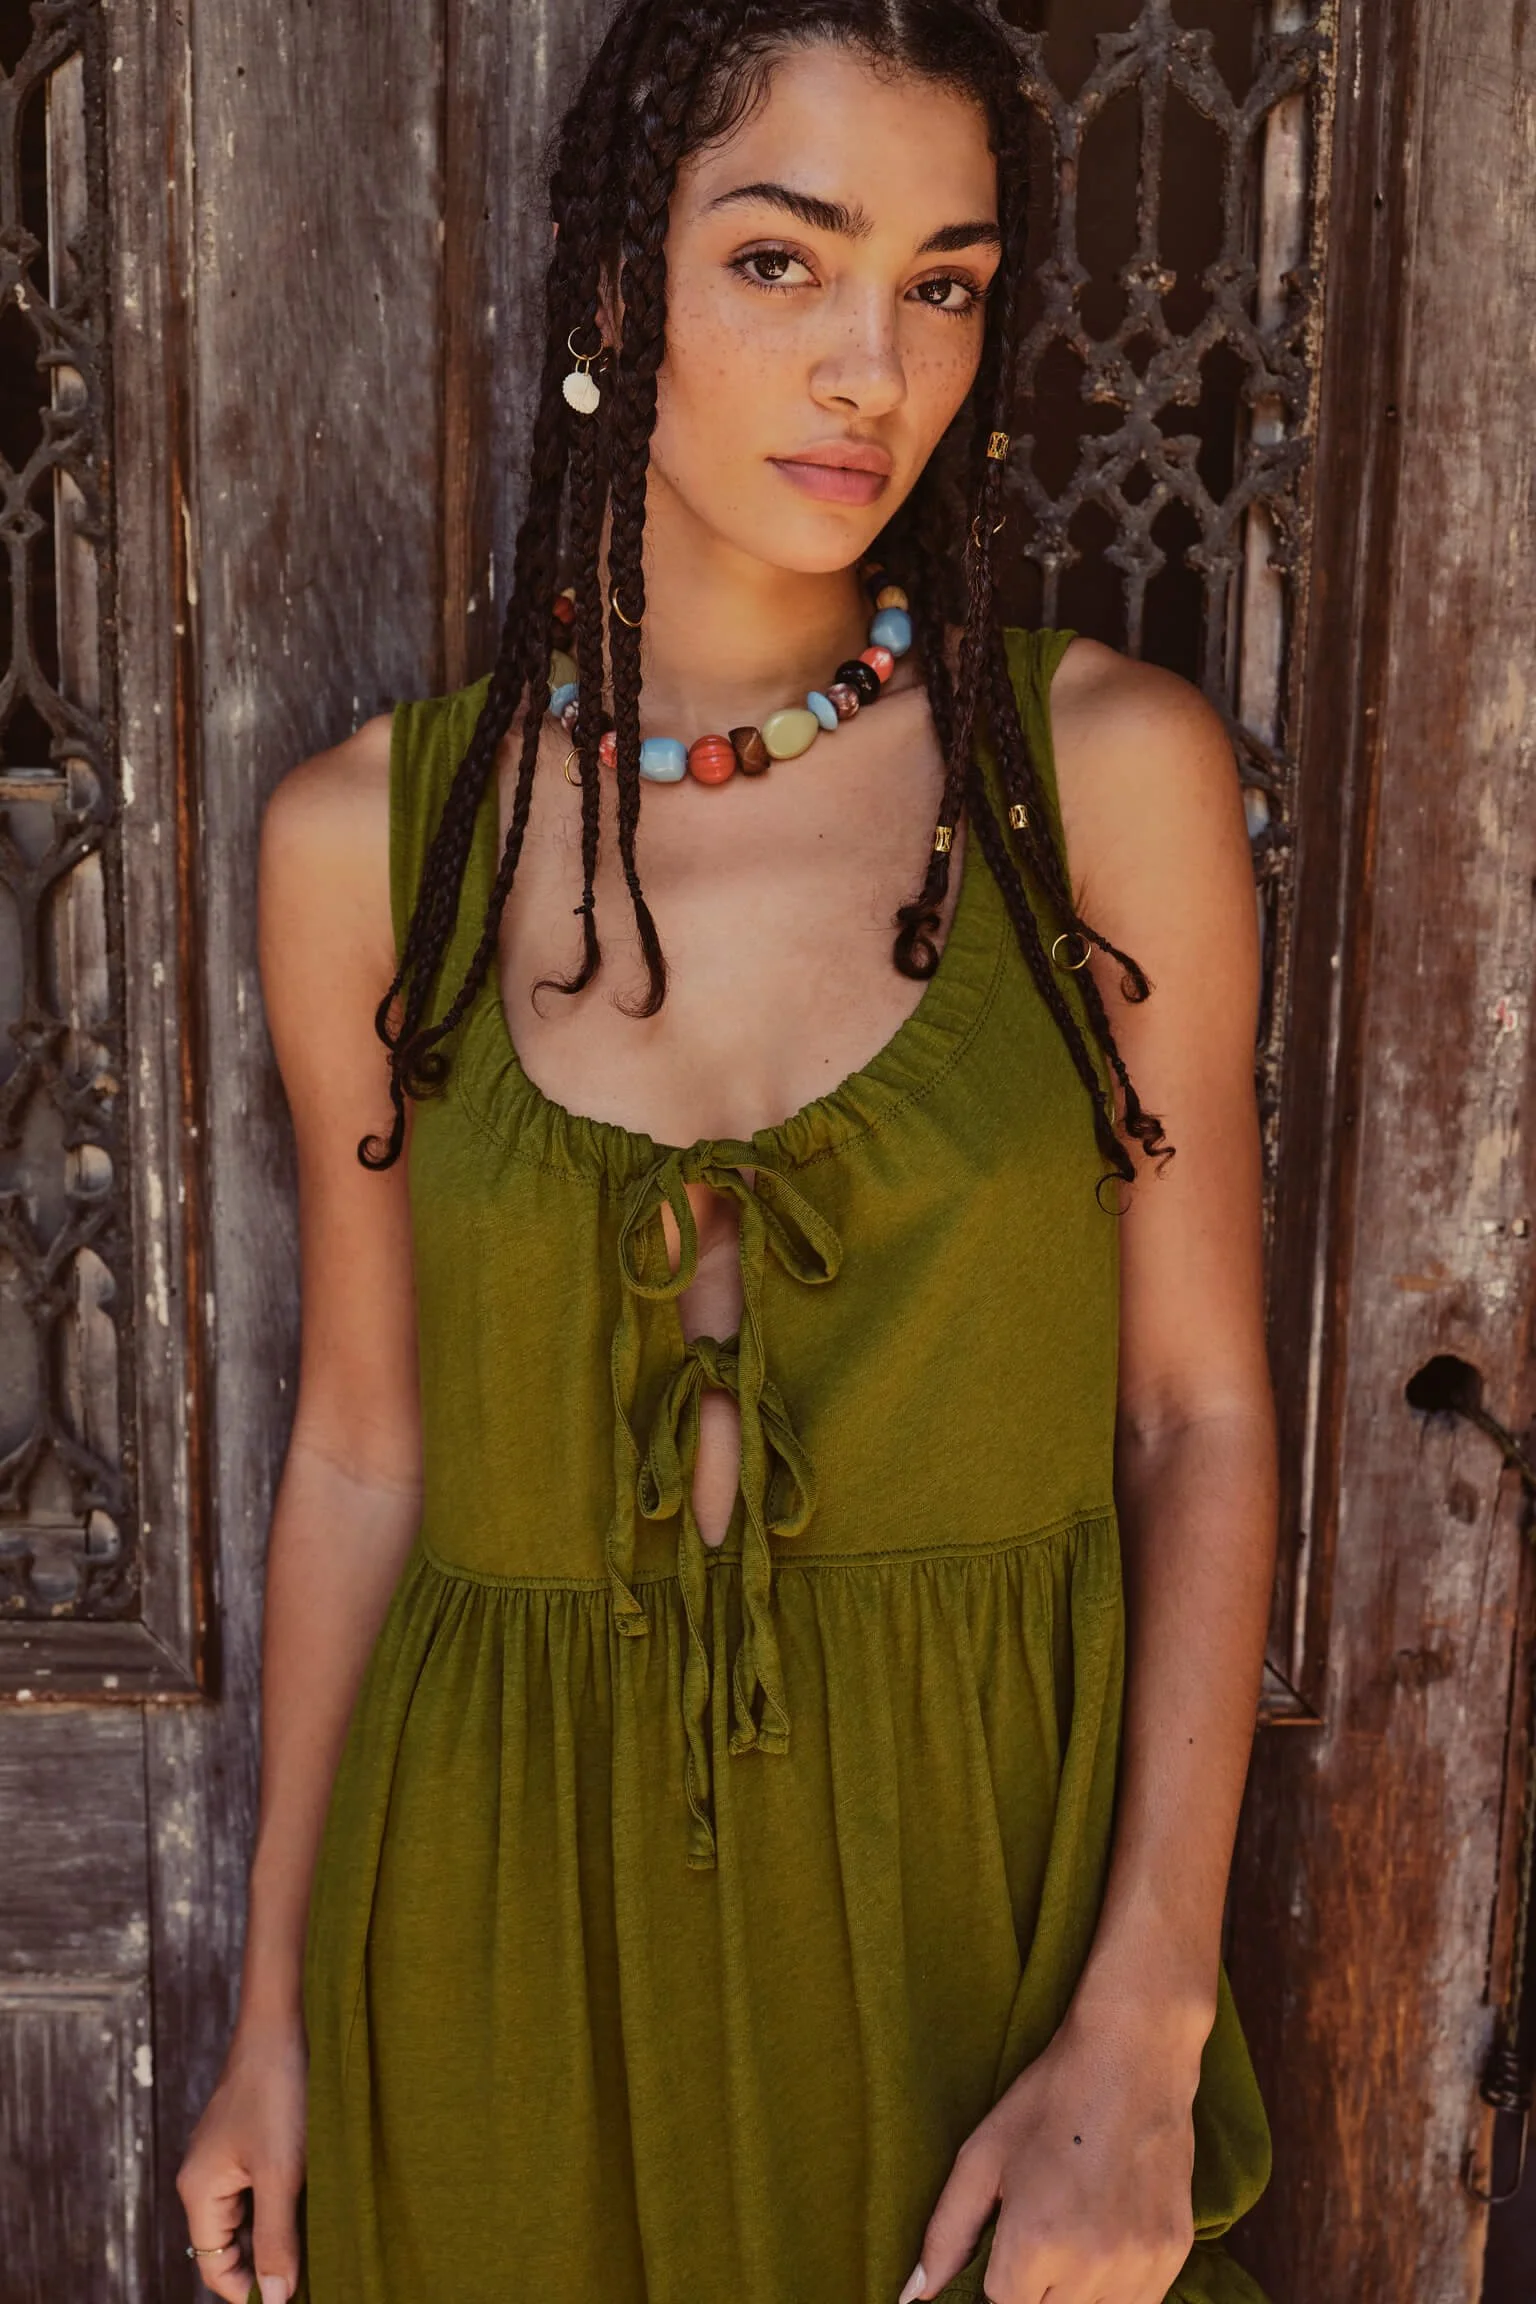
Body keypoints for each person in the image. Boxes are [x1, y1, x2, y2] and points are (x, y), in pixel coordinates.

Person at [176, 3, 1279, 2300]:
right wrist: (271, 2013)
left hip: (956, 1949)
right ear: (612, 293)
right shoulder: (370, 845)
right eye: (785, 262)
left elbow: (1196, 1415)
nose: (873, 364)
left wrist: (1147, 2026)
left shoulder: (1099, 777)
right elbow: (367, 1452)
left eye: (946, 282)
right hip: (480, 1950)